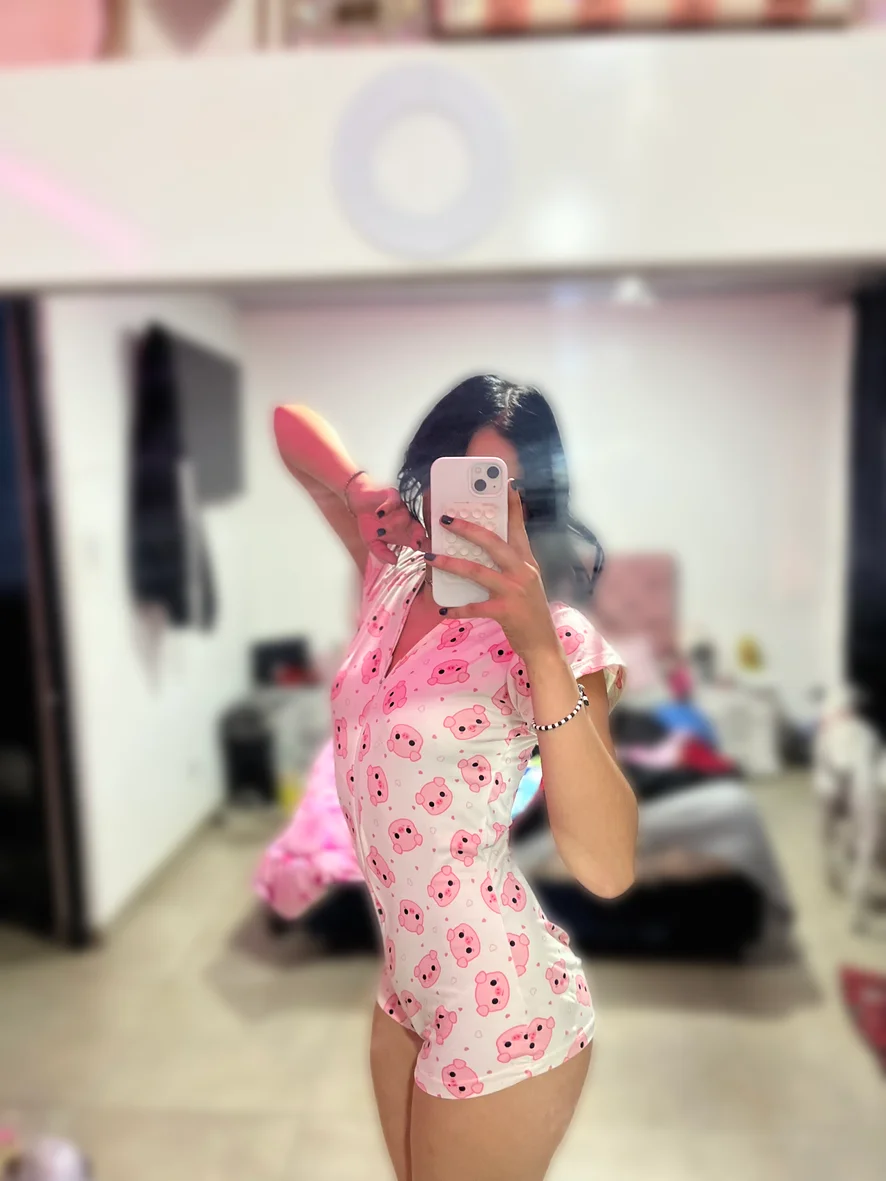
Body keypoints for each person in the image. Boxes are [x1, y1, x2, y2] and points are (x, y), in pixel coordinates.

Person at [274, 375, 638, 1181]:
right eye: (466, 483)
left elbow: (609, 865)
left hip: (498, 1002)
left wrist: (538, 647)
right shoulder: (392, 573)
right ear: (431, 481)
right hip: (404, 987)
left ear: (536, 504)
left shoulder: (558, 642)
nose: (483, 514)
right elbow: (288, 426)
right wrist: (361, 489)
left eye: (508, 492)